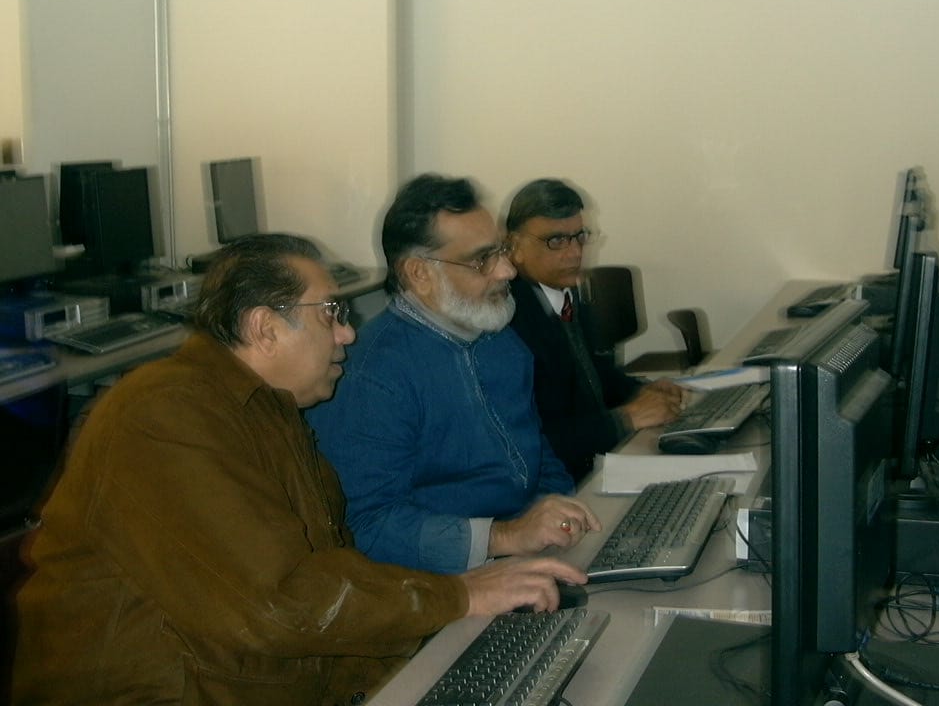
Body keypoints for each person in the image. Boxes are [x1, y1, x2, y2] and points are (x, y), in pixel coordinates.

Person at [11, 233, 587, 706]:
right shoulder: (164, 415)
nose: (348, 333)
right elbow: (283, 604)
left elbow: (327, 580)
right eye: (332, 313)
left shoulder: (270, 412)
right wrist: (457, 597)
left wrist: (435, 649)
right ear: (265, 328)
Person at [306, 175, 600, 575]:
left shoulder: (500, 340)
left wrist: (558, 513)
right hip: (442, 584)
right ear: (419, 273)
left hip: (525, 557)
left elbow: (538, 455)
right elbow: (364, 525)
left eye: (501, 251)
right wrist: (504, 537)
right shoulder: (369, 378)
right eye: (482, 259)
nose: (507, 271)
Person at [505, 178, 687, 482]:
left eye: (580, 236)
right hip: (560, 483)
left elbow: (595, 376)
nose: (575, 252)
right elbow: (531, 440)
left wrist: (643, 390)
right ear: (515, 247)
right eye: (556, 241)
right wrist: (625, 419)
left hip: (600, 460)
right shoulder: (507, 320)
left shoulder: (566, 291)